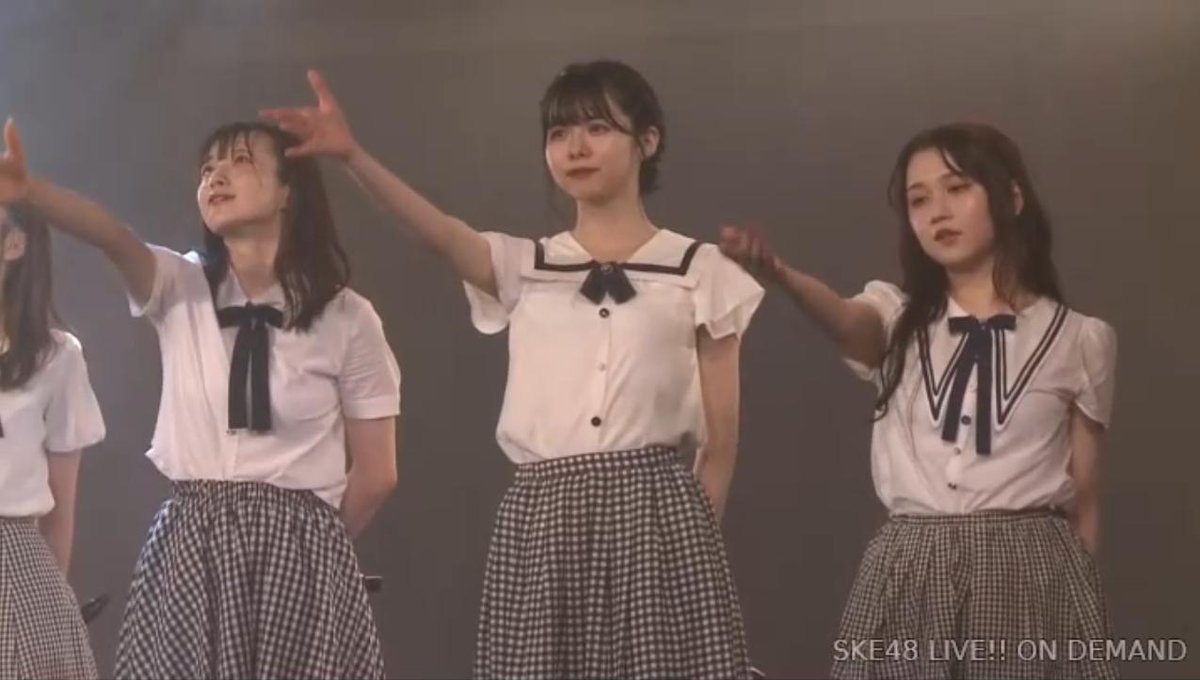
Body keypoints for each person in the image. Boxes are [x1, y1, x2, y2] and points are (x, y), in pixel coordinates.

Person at [262, 61, 763, 678]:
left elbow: (720, 440)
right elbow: (440, 234)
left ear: (648, 140)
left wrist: (688, 546)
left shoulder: (702, 270)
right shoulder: (526, 265)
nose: (575, 148)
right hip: (544, 514)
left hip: (658, 512)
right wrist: (352, 156)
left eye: (597, 129)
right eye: (559, 133)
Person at [0, 118, 401, 679]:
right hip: (191, 540)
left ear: (288, 190)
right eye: (207, 168)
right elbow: (113, 237)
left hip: (302, 546)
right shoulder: (179, 284)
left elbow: (377, 473)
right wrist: (33, 192)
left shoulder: (348, 318)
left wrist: (310, 543)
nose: (216, 176)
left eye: (240, 161)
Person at [721, 122, 1118, 679]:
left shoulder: (1079, 339)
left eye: (957, 188)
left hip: (1030, 569)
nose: (938, 213)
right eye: (919, 199)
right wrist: (780, 276)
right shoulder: (895, 319)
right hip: (909, 566)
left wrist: (1080, 616)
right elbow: (844, 319)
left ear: (1011, 197)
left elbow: (1086, 497)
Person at [0, 199, 105, 680]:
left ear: (15, 243)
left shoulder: (56, 357)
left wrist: (49, 603)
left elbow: (61, 508)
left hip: (16, 565)